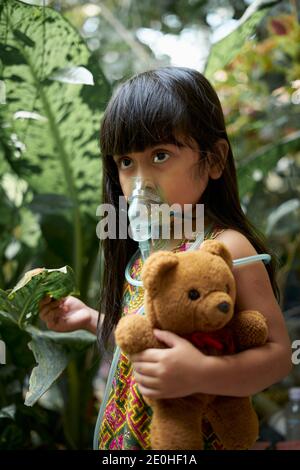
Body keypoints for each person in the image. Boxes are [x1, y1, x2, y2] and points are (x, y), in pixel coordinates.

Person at [39, 67, 292, 450]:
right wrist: (93, 321)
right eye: (126, 162)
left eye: (160, 155)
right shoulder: (145, 258)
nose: (142, 183)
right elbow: (157, 332)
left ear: (213, 160)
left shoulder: (226, 248)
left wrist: (203, 373)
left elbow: (278, 358)